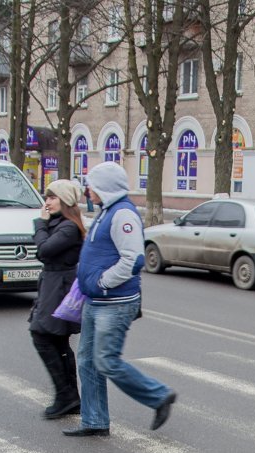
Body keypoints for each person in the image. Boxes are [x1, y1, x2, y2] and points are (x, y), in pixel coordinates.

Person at [64, 161, 176, 437]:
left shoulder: (122, 214)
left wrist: (102, 282)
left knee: (106, 360)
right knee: (88, 361)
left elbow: (134, 259)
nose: (88, 190)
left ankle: (158, 396)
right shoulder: (106, 211)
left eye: (92, 185)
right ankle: (94, 421)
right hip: (96, 300)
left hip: (114, 302)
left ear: (105, 187)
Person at [29, 179, 85, 419]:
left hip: (59, 287)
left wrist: (40, 224)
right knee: (57, 340)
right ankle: (69, 396)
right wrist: (45, 224)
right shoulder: (60, 224)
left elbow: (44, 250)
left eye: (52, 197)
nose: (47, 202)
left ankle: (66, 395)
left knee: (41, 334)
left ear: (65, 201)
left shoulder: (69, 227)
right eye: (46, 197)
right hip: (53, 284)